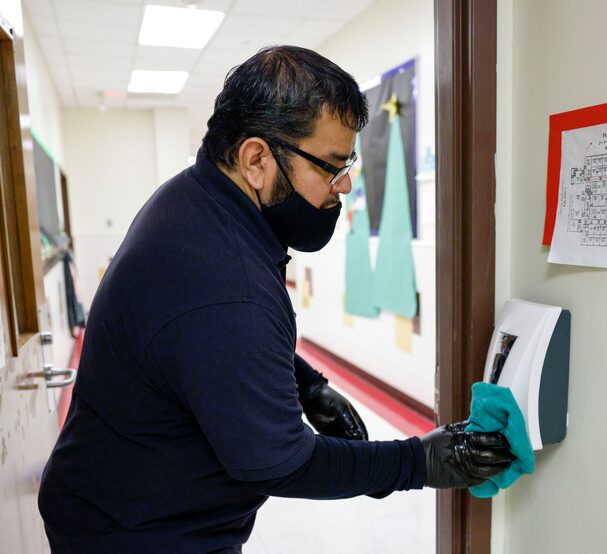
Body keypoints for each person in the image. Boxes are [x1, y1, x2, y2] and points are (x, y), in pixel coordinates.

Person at [38, 45, 513, 553]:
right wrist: (420, 461)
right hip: (138, 533)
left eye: (348, 163)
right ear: (257, 159)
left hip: (119, 498)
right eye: (331, 166)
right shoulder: (225, 285)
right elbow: (282, 463)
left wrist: (307, 385)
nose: (346, 185)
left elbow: (209, 349)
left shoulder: (195, 198)